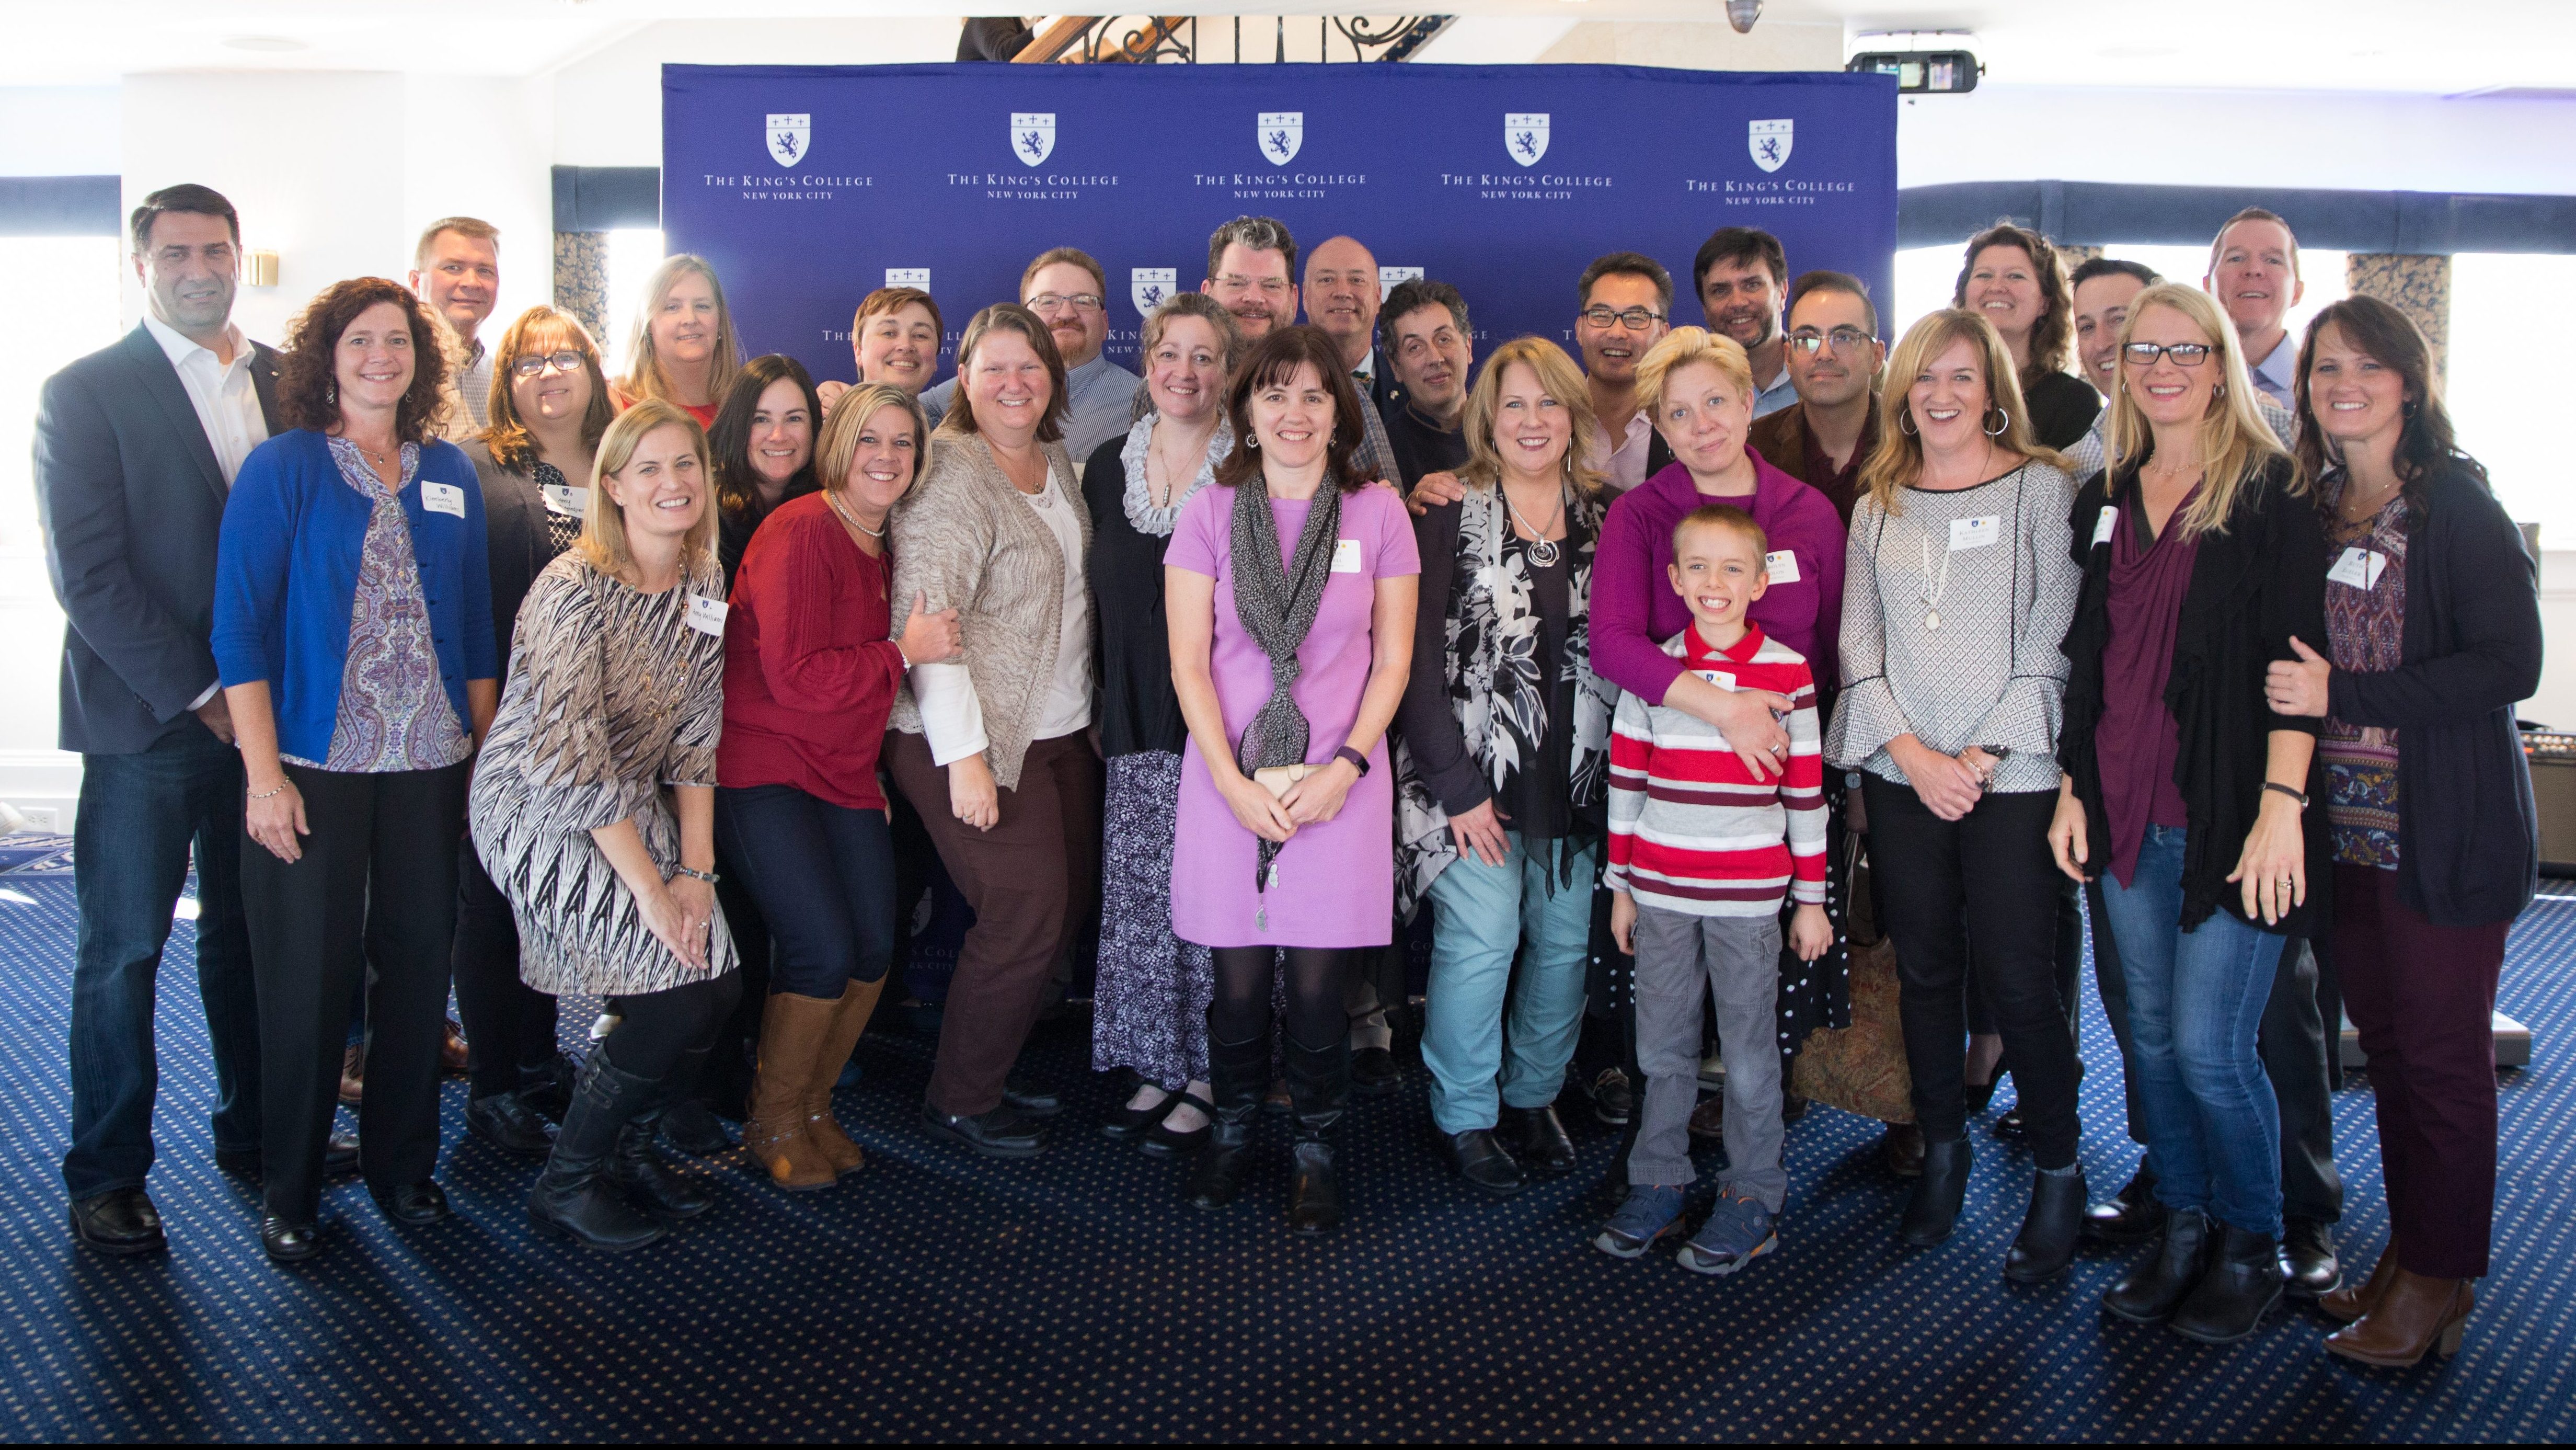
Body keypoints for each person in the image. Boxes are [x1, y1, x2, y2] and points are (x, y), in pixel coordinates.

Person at [36, 184, 325, 1255]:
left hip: (282, 721)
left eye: (216, 249)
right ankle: (107, 1173)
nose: (198, 268)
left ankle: (255, 1137)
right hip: (151, 724)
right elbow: (91, 580)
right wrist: (209, 699)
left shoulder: (289, 379)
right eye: (176, 253)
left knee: (254, 943)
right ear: (141, 264)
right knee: (124, 953)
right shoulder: (86, 392)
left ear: (240, 255)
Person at [2051, 282, 2330, 1339]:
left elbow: (2296, 667)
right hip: (2119, 804)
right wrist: (2073, 789)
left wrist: (2279, 811)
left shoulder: (2271, 496)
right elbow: (2091, 661)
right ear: (2120, 371)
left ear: (2220, 363)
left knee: (2215, 1050)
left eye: (2184, 348)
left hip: (2228, 813)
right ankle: (2183, 1226)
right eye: (2141, 351)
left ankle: (2250, 1241)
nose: (2161, 367)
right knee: (2154, 1043)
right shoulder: (2106, 495)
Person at [2266, 296, 2540, 1367]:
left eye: (2367, 366)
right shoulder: (2321, 503)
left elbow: (2507, 667)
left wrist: (2351, 690)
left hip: (2441, 836)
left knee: (2441, 1064)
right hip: (2346, 842)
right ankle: (2407, 1257)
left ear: (2409, 381)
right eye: (2325, 365)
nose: (2341, 382)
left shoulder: (2455, 506)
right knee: (2383, 1053)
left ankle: (2439, 1278)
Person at [212, 276, 499, 1263]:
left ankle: (404, 1167)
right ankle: (290, 1187)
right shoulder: (284, 467)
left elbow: (469, 631)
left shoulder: (449, 468)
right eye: (361, 340)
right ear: (327, 357)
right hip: (310, 762)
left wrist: (483, 755)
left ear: (422, 359)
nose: (382, 356)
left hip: (429, 760)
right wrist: (261, 777)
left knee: (421, 965)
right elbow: (238, 630)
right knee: (309, 974)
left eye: (399, 341)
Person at [1823, 308, 2083, 1274]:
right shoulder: (1875, 500)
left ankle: (2058, 1171)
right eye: (1925, 378)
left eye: (1962, 378)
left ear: (1993, 392)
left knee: (2018, 980)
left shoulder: (2042, 488)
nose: (1940, 395)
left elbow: (2052, 634)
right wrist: (1913, 755)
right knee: (1926, 970)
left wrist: (1970, 759)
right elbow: (1857, 642)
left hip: (2009, 774)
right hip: (1901, 772)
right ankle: (1942, 1148)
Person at [469, 401, 742, 1252]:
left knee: (716, 984)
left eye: (685, 464)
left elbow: (699, 734)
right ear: (614, 486)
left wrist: (695, 875)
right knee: (670, 992)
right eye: (650, 469)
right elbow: (573, 766)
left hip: (625, 798)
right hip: (539, 803)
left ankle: (625, 1154)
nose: (673, 483)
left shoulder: (703, 578)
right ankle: (568, 1183)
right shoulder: (571, 591)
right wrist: (653, 891)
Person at [1165, 324, 1418, 1234]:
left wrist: (1347, 764)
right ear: (1246, 410)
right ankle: (1231, 1129)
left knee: (1317, 990)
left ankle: (1315, 1145)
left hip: (1339, 782)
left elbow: (1391, 660)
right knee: (1233, 984)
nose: (1294, 412)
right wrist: (1232, 783)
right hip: (1225, 780)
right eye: (1274, 394)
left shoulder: (1375, 514)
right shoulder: (1206, 512)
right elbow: (1190, 665)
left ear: (1339, 412)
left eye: (1314, 395)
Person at [720, 384, 960, 1190]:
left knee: (870, 948)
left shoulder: (886, 541)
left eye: (904, 444)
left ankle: (815, 1105)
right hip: (765, 769)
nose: (888, 458)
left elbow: (854, 694)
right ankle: (772, 1119)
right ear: (840, 447)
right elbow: (795, 681)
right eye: (871, 441)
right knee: (820, 949)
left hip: (845, 774)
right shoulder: (800, 530)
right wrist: (905, 651)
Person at [1394, 337, 1613, 1197]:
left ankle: (1530, 1094)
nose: (1531, 420)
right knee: (1483, 940)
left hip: (1577, 783)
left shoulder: (1611, 513)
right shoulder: (1443, 511)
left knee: (1561, 946)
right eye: (1513, 404)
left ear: (1572, 416)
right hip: (1465, 782)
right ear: (1487, 416)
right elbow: (1410, 667)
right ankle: (1465, 1112)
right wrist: (1456, 787)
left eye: (1547, 403)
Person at [885, 303, 1100, 1158]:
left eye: (1031, 366)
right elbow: (928, 622)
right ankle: (960, 1099)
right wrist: (964, 761)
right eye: (994, 368)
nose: (1014, 382)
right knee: (1023, 909)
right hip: (970, 737)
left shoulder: (1054, 461)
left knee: (1060, 908)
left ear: (1053, 378)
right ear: (962, 381)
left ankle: (992, 1065)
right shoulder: (950, 471)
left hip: (1059, 733)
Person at [1596, 504, 1831, 1272]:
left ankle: (1753, 1190)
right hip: (1662, 890)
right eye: (1697, 566)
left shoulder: (1790, 674)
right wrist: (1622, 886)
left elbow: (1805, 795)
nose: (1715, 582)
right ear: (1674, 579)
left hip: (1749, 900)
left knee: (1750, 1050)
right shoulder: (1657, 670)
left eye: (1734, 568)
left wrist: (1811, 898)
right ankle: (1659, 1177)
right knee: (1662, 1045)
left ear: (1762, 581)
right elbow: (1625, 782)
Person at [453, 305, 615, 1158]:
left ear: (592, 369)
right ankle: (493, 1084)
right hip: (508, 720)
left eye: (564, 356)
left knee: (553, 893)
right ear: (507, 383)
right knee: (493, 903)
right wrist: (485, 725)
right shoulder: (478, 467)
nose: (548, 372)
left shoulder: (623, 455)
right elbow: (463, 601)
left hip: (611, 724)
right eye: (527, 362)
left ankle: (538, 1053)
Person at [1084, 293, 1245, 1154]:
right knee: (1147, 905)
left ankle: (1214, 1069)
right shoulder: (1105, 464)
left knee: (1216, 904)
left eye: (1205, 356)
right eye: (1168, 353)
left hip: (1225, 727)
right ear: (1146, 361)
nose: (1184, 371)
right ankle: (1156, 1057)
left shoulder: (1249, 471)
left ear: (1228, 370)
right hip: (1133, 713)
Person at [922, 248, 1142, 458]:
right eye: (1048, 301)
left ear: (1104, 324)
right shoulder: (982, 385)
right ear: (1023, 320)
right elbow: (907, 414)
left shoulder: (1142, 402)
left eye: (1083, 301)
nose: (1066, 313)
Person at [1747, 270, 1886, 524]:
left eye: (1844, 338)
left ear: (1877, 356)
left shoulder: (1915, 440)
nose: (1824, 354)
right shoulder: (1753, 450)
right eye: (1807, 339)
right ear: (1788, 358)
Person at [1950, 224, 2098, 451]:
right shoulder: (1933, 389)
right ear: (1963, 296)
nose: (1997, 287)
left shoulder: (2072, 402)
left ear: (2045, 303)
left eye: (2015, 276)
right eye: (1984, 275)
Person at [708, 355, 825, 587]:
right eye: (761, 419)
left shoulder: (829, 506)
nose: (779, 436)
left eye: (794, 419)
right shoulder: (705, 509)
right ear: (738, 425)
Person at [1573, 252, 1675, 497]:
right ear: (1579, 330)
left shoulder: (1683, 426)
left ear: (1664, 335)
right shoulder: (1549, 419)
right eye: (1601, 315)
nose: (1617, 332)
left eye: (1636, 318)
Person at [1301, 235, 1400, 474]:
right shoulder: (1274, 387)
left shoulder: (1413, 389)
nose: (1343, 291)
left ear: (1378, 298)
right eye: (1327, 280)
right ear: (1304, 297)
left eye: (1357, 280)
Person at [613, 254, 741, 428]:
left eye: (702, 306)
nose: (690, 319)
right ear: (648, 325)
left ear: (720, 321)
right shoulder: (615, 405)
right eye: (672, 307)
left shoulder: (747, 406)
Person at [2065, 258, 2159, 481]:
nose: (2101, 343)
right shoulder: (2074, 469)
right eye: (2087, 327)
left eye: (2119, 320)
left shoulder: (2242, 437)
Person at [1691, 226, 1799, 419]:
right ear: (1705, 308)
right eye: (1720, 291)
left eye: (1752, 285)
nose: (1738, 302)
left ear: (1782, 292)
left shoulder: (1819, 370)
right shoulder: (1685, 385)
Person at [408, 216, 500, 437]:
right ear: (415, 283)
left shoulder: (505, 379)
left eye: (485, 270)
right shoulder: (395, 370)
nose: (472, 282)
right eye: (453, 268)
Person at [2206, 208, 2305, 412]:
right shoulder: (2177, 381)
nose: (2254, 270)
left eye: (2273, 260)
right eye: (2236, 258)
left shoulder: (2325, 385)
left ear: (2297, 292)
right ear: (2208, 288)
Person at [1379, 278, 1474, 490]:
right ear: (1395, 366)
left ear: (1468, 347)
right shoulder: (1385, 454)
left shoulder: (1509, 429)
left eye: (1444, 339)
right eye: (1415, 347)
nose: (1435, 358)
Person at [815, 286, 944, 415]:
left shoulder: (947, 430)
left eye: (920, 335)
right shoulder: (819, 425)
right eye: (888, 333)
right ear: (858, 351)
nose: (906, 345)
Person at [1202, 215, 1298, 343]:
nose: (1254, 298)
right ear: (1207, 294)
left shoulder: (1319, 364)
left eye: (1271, 285)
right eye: (1236, 284)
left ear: (1294, 299)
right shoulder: (1176, 363)